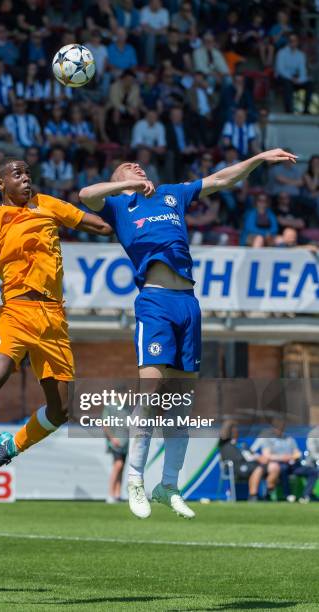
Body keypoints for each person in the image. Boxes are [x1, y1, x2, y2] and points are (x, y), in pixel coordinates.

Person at [79, 148, 297, 518]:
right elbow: (86, 196)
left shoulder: (171, 193)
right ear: (119, 182)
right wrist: (130, 183)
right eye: (126, 168)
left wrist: (259, 158)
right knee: (150, 392)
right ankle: (135, 479)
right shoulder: (117, 207)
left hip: (188, 303)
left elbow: (220, 179)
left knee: (179, 402)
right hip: (155, 301)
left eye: (138, 166)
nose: (135, 166)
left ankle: (169, 484)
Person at [0, 158, 113, 489]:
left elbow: (102, 227)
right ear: (0, 184)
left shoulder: (47, 205)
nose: (26, 178)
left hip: (54, 317)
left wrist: (126, 206)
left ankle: (10, 447)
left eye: (28, 172)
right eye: (18, 174)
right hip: (16, 311)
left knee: (60, 412)